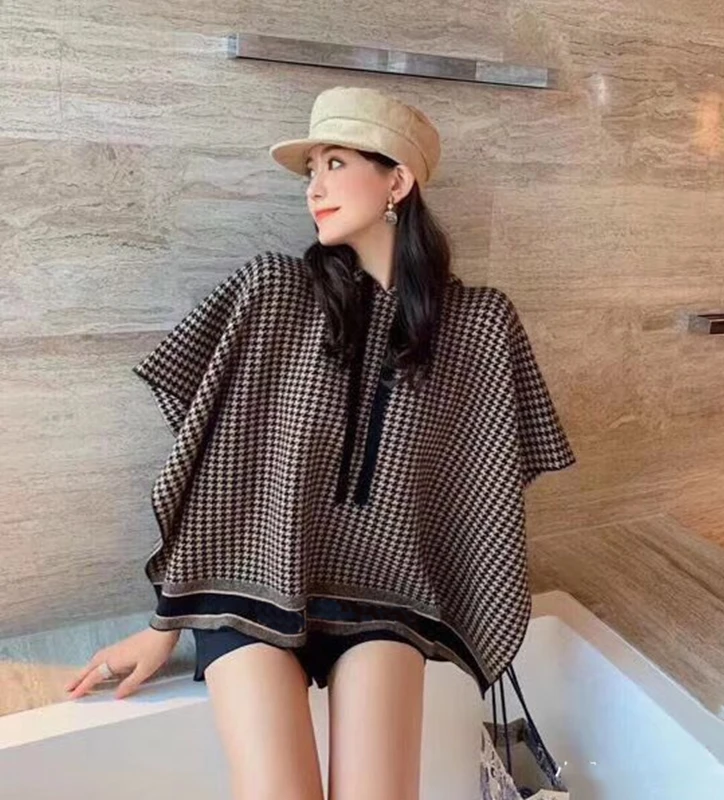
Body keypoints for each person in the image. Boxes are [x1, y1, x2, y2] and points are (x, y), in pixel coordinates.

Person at [65, 86, 577, 800]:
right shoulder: (271, 291)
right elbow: (212, 468)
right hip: (250, 591)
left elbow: (482, 490)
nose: (315, 188)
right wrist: (165, 624)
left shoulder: (478, 325)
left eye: (336, 163)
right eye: (311, 170)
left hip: (386, 599)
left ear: (397, 181)